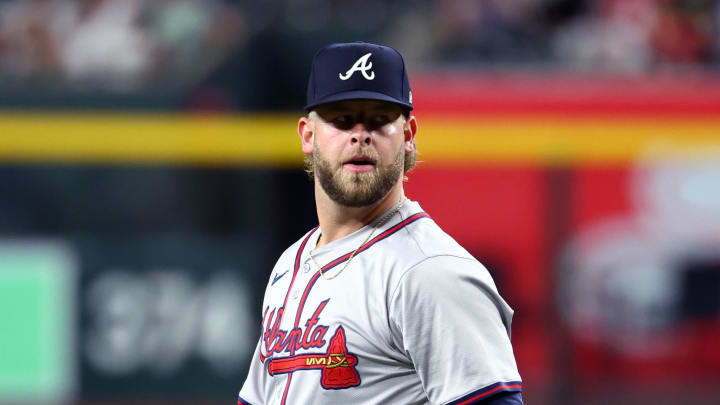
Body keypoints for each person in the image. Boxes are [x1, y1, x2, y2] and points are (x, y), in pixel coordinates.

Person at [238, 41, 523, 405]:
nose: (360, 134)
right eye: (341, 119)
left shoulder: (431, 273)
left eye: (379, 120)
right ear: (308, 136)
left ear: (407, 136)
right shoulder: (290, 263)